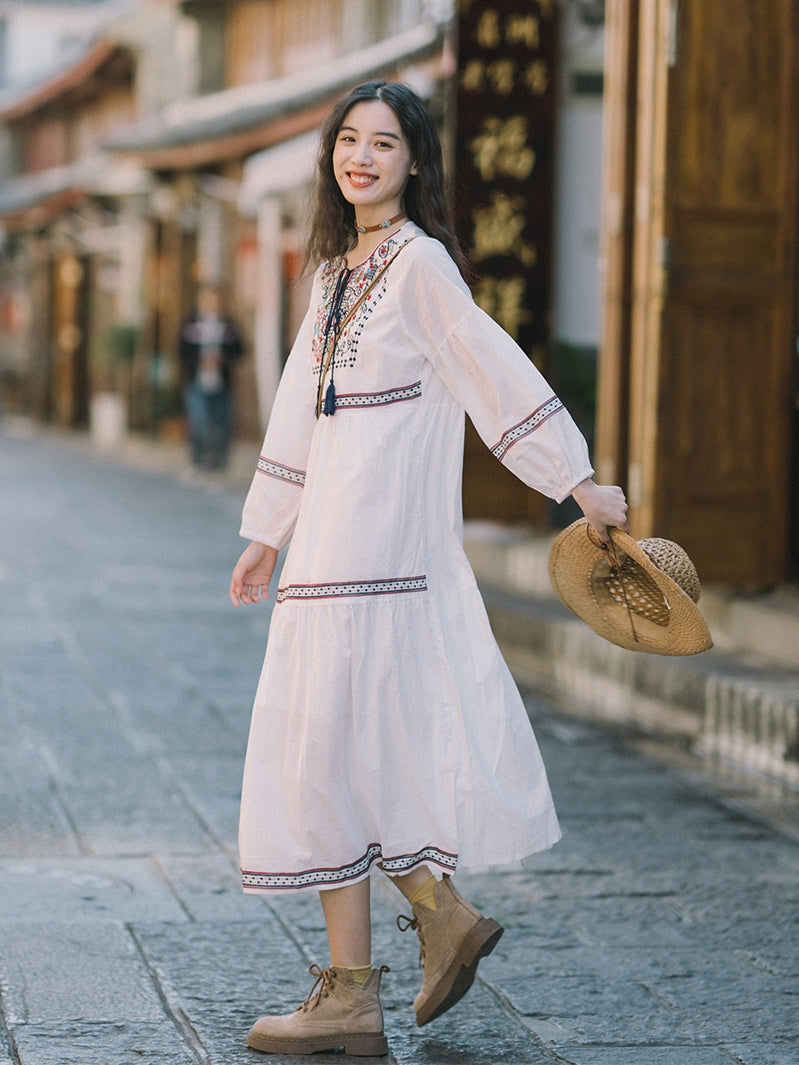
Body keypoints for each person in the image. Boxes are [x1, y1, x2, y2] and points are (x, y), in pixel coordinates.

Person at [229, 80, 628, 1057]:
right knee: (332, 747)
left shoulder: (418, 265)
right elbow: (295, 409)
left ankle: (360, 981)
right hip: (324, 550)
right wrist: (267, 528)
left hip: (384, 555)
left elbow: (490, 368)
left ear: (415, 163)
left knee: (335, 743)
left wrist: (575, 480)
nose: (361, 156)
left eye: (384, 143)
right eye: (349, 140)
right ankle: (403, 942)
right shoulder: (334, 272)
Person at [179, 285, 243, 471]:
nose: (211, 303)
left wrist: (222, 358)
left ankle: (219, 464)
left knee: (222, 425)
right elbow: (182, 351)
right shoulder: (190, 322)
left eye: (215, 300)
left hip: (222, 383)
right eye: (208, 299)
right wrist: (199, 360)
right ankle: (198, 462)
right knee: (199, 423)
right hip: (196, 382)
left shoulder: (228, 324)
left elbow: (240, 349)